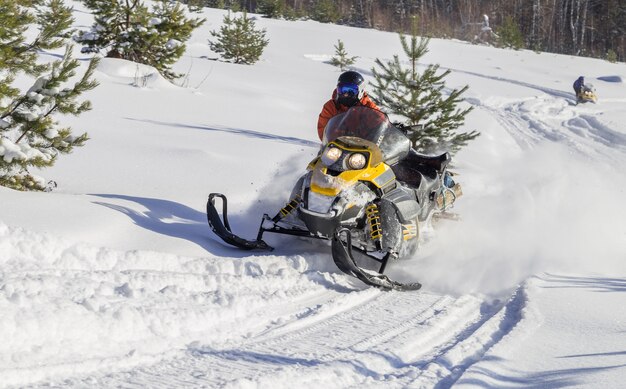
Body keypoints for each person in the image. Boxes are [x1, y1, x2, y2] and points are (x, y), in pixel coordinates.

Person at [317, 70, 379, 140]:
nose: (345, 94)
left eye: (351, 91)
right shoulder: (331, 106)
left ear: (360, 91)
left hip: (363, 147)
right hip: (337, 145)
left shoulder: (369, 108)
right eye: (342, 90)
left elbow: (380, 125)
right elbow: (323, 130)